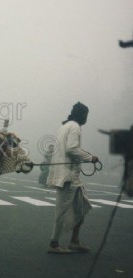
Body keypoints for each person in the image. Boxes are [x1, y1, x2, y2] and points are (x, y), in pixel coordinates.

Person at [46, 102, 99, 254]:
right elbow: (71, 149)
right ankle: (54, 244)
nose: (86, 119)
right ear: (82, 115)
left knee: (82, 206)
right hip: (67, 176)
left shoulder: (64, 126)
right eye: (86, 115)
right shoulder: (74, 126)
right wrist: (90, 158)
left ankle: (75, 241)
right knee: (62, 211)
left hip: (69, 175)